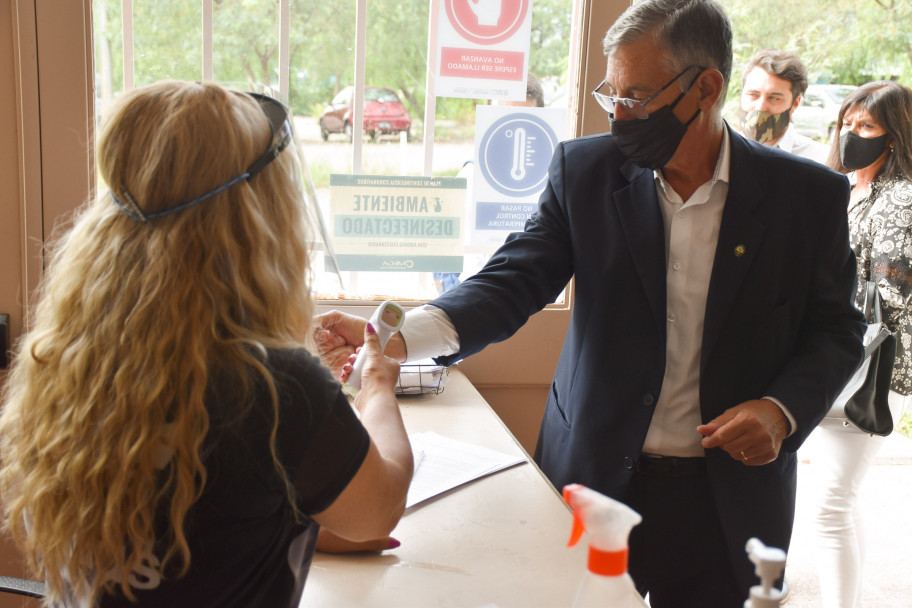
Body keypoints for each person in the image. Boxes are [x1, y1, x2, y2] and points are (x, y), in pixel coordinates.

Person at [316, 1, 865, 605]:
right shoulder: (586, 173)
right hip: (593, 478)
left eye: (636, 97)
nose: (620, 115)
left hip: (727, 499)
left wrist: (781, 409)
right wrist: (398, 338)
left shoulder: (805, 197)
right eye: (613, 95)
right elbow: (512, 279)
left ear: (706, 88)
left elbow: (837, 329)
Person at [0, 80, 412, 607]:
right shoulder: (275, 389)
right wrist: (377, 387)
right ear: (257, 225)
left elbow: (198, 520)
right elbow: (376, 512)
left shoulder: (66, 361)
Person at [804, 80, 912, 608]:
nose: (851, 134)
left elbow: (892, 293)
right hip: (838, 357)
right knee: (837, 501)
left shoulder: (902, 199)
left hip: (876, 367)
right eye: (846, 124)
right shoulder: (844, 188)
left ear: (896, 137)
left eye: (866, 127)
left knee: (829, 503)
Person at [435, 72, 547, 295]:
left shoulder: (551, 181)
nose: (515, 131)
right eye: (504, 117)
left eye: (523, 119)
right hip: (473, 297)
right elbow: (443, 257)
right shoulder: (469, 176)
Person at [738, 48, 829, 163]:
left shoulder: (820, 160)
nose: (760, 107)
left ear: (795, 104)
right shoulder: (719, 151)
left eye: (774, 98)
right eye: (753, 95)